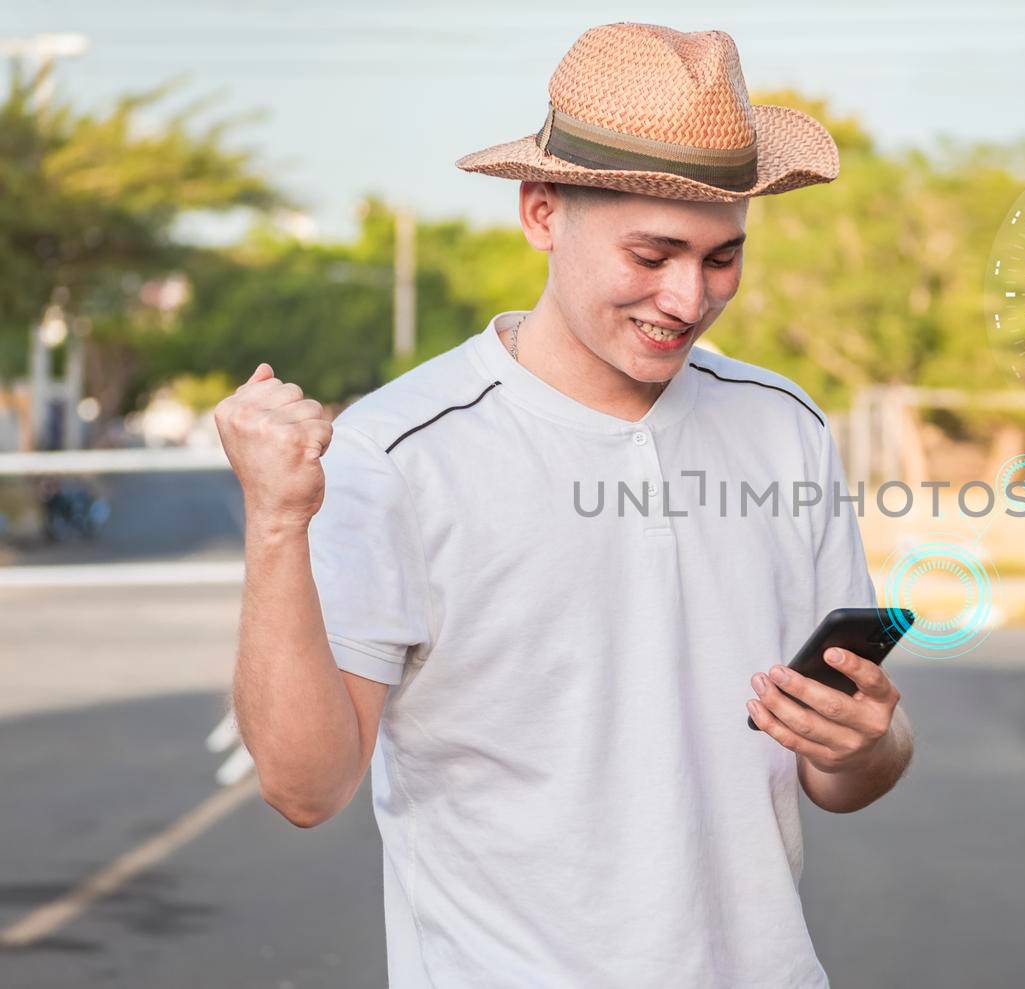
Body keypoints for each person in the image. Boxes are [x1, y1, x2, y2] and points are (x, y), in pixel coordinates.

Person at [214, 22, 914, 988]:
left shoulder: (783, 424)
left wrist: (870, 739)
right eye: (654, 252)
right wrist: (278, 522)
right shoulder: (401, 448)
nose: (688, 296)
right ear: (541, 212)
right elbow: (305, 786)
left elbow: (841, 772)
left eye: (721, 258)